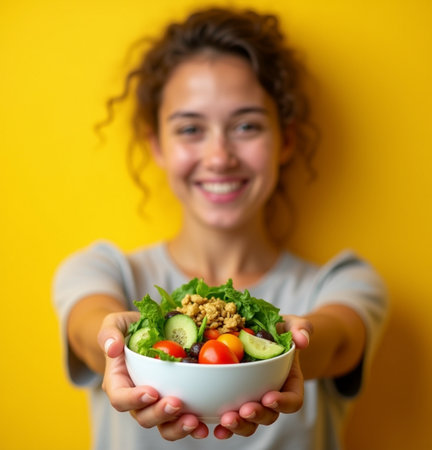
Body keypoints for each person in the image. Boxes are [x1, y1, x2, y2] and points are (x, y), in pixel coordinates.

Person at [52, 7, 388, 450]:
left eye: (246, 125)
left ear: (284, 141)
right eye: (190, 128)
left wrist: (289, 343)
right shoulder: (101, 270)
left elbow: (337, 341)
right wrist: (117, 345)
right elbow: (89, 332)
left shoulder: (343, 282)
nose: (218, 157)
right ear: (158, 146)